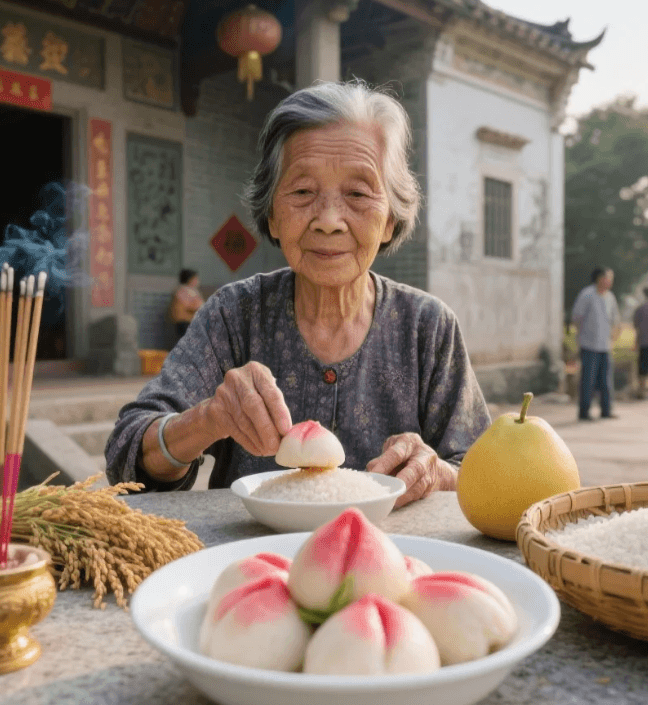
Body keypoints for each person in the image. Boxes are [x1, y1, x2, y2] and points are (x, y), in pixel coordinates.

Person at [105, 81, 491, 509]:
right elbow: (126, 455)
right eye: (303, 192)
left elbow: (483, 473)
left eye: (358, 193)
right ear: (272, 214)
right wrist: (208, 418)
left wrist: (437, 472)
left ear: (389, 220)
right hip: (254, 550)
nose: (328, 220)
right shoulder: (235, 314)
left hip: (390, 552)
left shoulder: (428, 328)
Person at [570, 266, 621, 421]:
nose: (610, 282)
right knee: (588, 380)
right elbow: (576, 317)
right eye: (607, 278)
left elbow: (615, 320)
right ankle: (584, 412)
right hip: (589, 345)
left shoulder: (610, 297)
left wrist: (613, 338)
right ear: (599, 278)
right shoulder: (587, 294)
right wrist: (578, 339)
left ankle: (606, 410)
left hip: (605, 346)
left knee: (606, 381)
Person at [169, 268, 204, 345]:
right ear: (190, 279)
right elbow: (195, 306)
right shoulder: (186, 290)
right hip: (186, 322)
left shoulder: (181, 289)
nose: (198, 281)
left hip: (184, 323)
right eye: (196, 279)